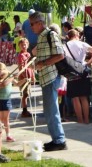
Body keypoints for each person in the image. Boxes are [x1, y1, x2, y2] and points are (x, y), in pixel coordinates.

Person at [30, 11, 67, 151]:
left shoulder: (51, 35)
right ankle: (56, 139)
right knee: (49, 110)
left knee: (52, 110)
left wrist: (43, 63)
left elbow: (60, 55)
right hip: (45, 78)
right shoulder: (41, 36)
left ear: (40, 23)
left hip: (51, 77)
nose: (31, 27)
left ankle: (59, 140)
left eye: (32, 24)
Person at [64, 29, 92, 124]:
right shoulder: (82, 44)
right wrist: (88, 63)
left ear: (69, 36)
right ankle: (86, 120)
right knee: (84, 97)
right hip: (83, 70)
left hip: (71, 72)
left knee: (75, 98)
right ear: (77, 35)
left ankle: (80, 120)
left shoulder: (65, 46)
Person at [0, 63, 27, 142]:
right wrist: (11, 78)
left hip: (7, 100)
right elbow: (3, 84)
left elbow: (18, 84)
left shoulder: (9, 77)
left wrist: (25, 80)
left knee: (6, 119)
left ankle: (8, 135)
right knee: (0, 119)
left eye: (1, 71)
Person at [17, 38, 35, 118]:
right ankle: (24, 110)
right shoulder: (21, 55)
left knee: (27, 94)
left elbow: (32, 67)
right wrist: (25, 77)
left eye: (25, 44)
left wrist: (33, 76)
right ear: (19, 46)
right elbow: (21, 67)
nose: (24, 46)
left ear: (28, 45)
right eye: (22, 45)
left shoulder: (28, 54)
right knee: (25, 94)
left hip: (29, 76)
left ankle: (26, 109)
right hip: (24, 77)